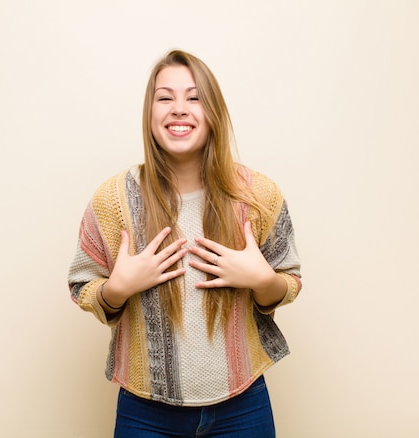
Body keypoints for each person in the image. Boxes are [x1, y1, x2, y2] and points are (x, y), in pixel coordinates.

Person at [67, 49, 302, 438]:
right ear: (150, 113)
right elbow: (82, 285)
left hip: (243, 406)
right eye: (165, 97)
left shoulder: (258, 195)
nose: (179, 109)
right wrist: (116, 290)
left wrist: (263, 281)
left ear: (213, 112)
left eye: (194, 97)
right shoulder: (113, 200)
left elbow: (288, 280)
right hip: (144, 412)